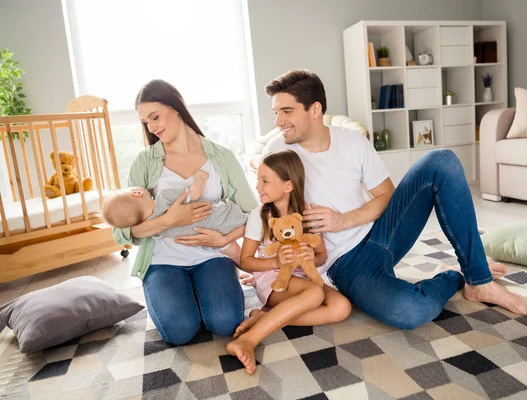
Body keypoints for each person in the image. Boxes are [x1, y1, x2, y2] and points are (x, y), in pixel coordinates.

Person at [262, 69, 527, 331]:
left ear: (315, 109)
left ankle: (480, 280)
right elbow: (271, 220)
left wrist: (343, 220)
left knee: (441, 161)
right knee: (409, 310)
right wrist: (263, 264)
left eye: (286, 111)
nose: (278, 122)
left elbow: (386, 195)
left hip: (382, 232)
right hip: (345, 263)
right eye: (276, 112)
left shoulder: (352, 141)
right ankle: (457, 276)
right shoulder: (276, 152)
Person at [112, 79, 257, 345]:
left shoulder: (221, 157)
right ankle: (185, 297)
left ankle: (201, 294)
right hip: (162, 261)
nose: (152, 127)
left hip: (212, 256)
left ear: (176, 107)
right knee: (179, 331)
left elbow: (254, 214)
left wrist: (224, 240)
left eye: (155, 117)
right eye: (146, 122)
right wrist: (168, 220)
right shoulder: (145, 162)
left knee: (225, 323)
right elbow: (121, 231)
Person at [226, 150, 351, 374]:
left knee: (342, 307)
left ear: (288, 185)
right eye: (258, 180)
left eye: (265, 181)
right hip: (274, 281)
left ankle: (266, 318)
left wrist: (311, 256)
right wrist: (275, 260)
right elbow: (246, 261)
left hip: (304, 278)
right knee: (315, 294)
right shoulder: (260, 216)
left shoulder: (307, 214)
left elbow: (322, 255)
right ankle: (249, 340)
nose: (258, 186)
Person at [102, 168, 248, 262]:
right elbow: (194, 194)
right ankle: (262, 270)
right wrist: (200, 178)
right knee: (256, 226)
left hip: (208, 238)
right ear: (136, 193)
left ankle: (257, 274)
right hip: (220, 216)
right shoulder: (164, 197)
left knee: (236, 254)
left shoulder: (153, 230)